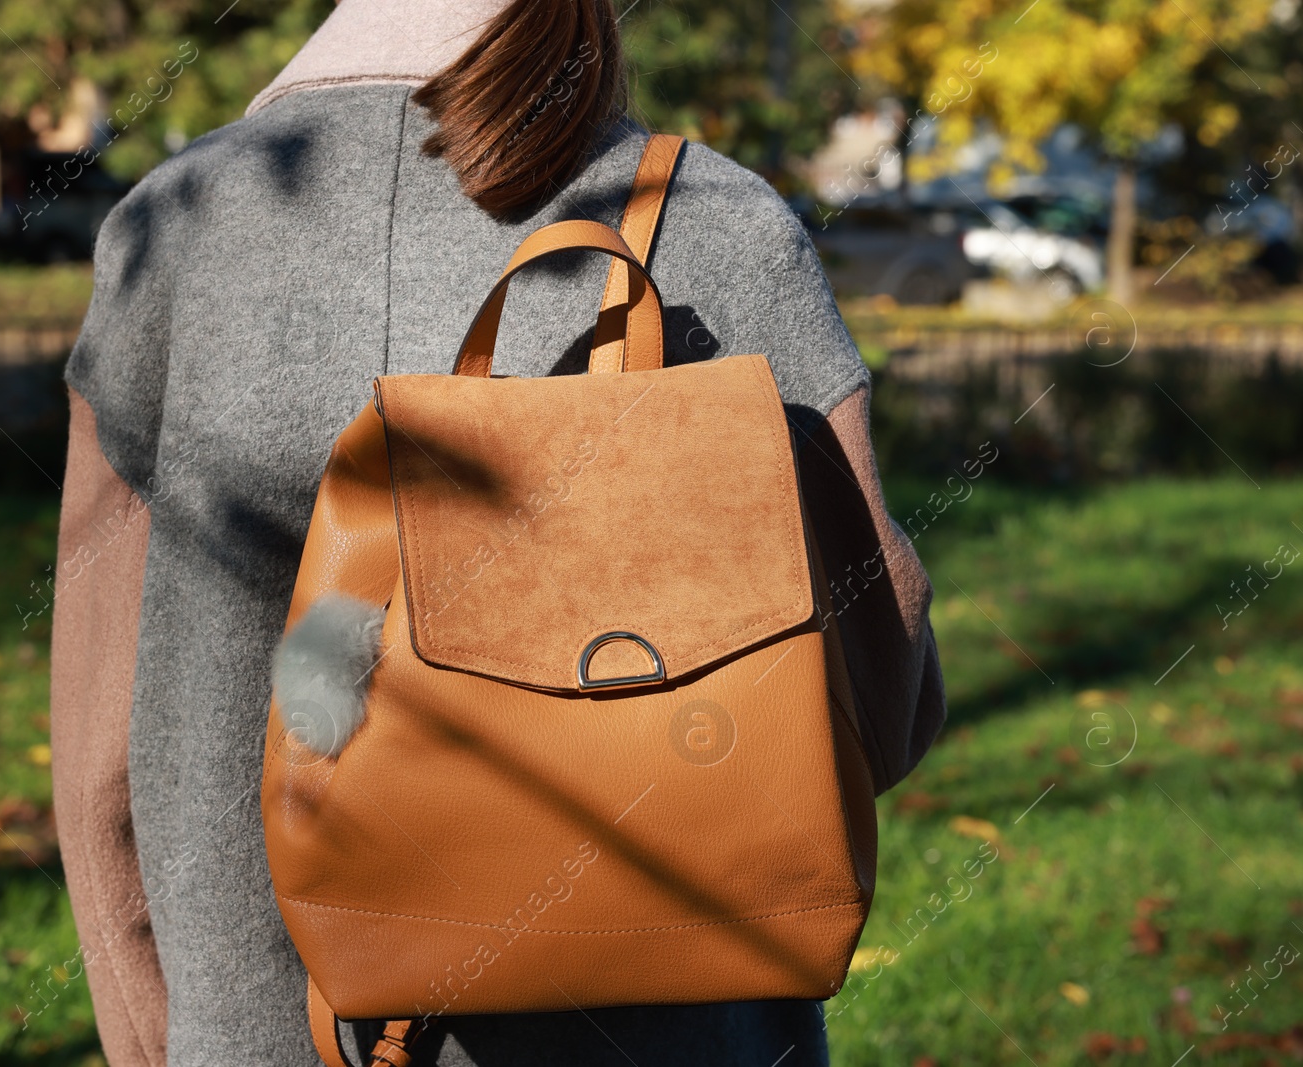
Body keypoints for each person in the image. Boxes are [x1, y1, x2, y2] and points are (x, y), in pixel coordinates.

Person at [49, 0, 946, 1064]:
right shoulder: (714, 218)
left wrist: (159, 1034)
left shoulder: (176, 225)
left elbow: (102, 750)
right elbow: (876, 704)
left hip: (253, 1025)